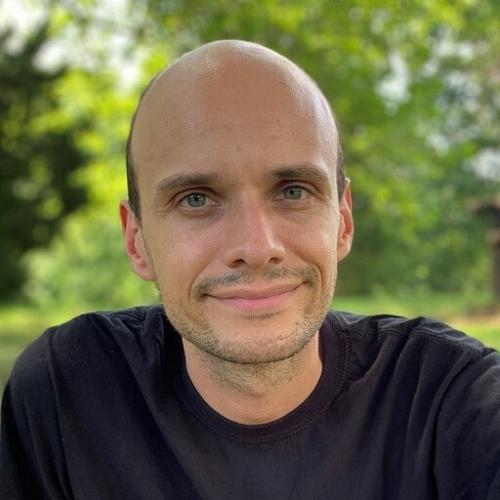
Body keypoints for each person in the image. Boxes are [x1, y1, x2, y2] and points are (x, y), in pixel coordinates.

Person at [1, 40, 499, 500]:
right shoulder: (68, 393)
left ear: (343, 221)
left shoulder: (451, 402)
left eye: (293, 191)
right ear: (137, 240)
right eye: (196, 199)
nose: (257, 248)